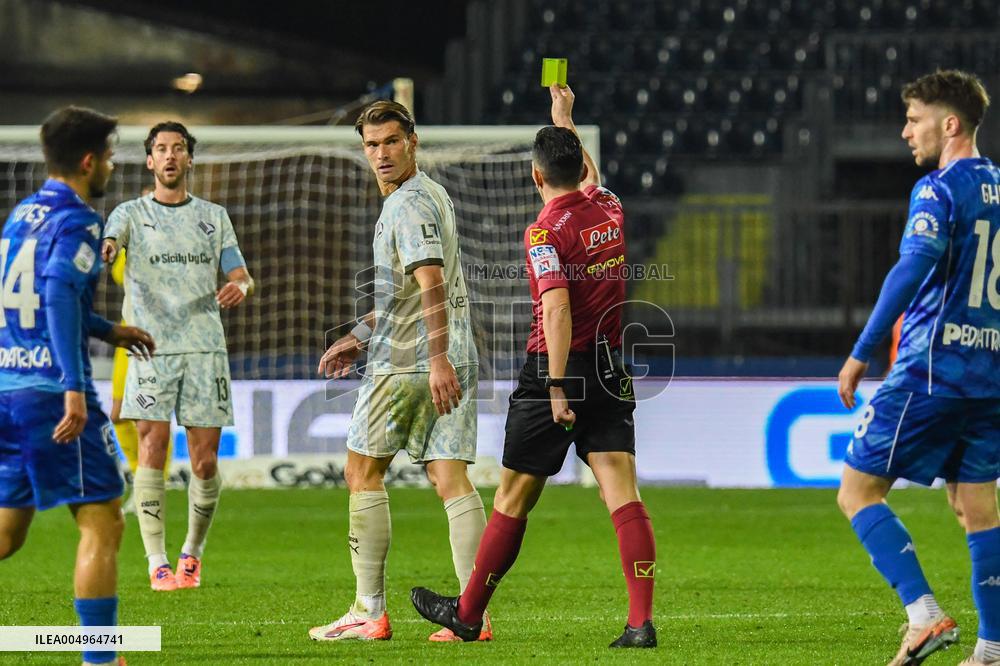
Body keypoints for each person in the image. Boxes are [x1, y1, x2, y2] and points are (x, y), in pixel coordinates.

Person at [410, 84, 658, 649]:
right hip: (611, 366)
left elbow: (556, 306)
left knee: (513, 495)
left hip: (557, 368)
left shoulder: (545, 233)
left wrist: (556, 386)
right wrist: (565, 118)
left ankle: (468, 614)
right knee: (622, 489)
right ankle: (640, 623)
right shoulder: (610, 208)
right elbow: (587, 177)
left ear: (535, 177)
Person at [835, 70, 1000, 666]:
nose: (906, 131)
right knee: (976, 508)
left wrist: (860, 352)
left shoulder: (938, 189)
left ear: (949, 124)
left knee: (857, 491)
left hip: (932, 371)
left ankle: (923, 615)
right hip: (989, 374)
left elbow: (910, 269)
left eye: (914, 119)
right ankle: (992, 649)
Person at [309, 100, 488, 642]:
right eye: (371, 145)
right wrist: (358, 338)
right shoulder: (434, 195)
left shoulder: (408, 205)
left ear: (412, 141)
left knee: (362, 472)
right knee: (450, 478)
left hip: (414, 358)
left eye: (390, 141)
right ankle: (472, 616)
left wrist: (432, 360)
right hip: (455, 350)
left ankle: (368, 611)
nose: (381, 154)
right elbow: (405, 292)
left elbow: (429, 281)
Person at [0, 106, 156, 666]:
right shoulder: (79, 219)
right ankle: (99, 659)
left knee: (6, 536)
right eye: (111, 156)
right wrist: (73, 387)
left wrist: (106, 329)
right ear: (89, 161)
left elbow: (37, 299)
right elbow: (61, 294)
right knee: (104, 520)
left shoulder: (22, 215)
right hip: (50, 393)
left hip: (7, 387)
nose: (113, 165)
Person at [101, 121, 255, 592]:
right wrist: (103, 251)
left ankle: (192, 553)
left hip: (205, 348)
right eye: (161, 149)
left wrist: (240, 286)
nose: (170, 156)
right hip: (150, 350)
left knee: (204, 460)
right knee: (151, 447)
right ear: (149, 161)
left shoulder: (214, 216)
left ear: (189, 159)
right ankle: (156, 562)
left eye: (178, 149)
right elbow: (110, 246)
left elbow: (241, 273)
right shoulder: (128, 213)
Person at [108, 244, 174, 516]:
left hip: (159, 338)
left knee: (151, 416)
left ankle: (155, 483)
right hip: (128, 336)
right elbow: (119, 273)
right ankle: (140, 479)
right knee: (118, 414)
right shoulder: (130, 245)